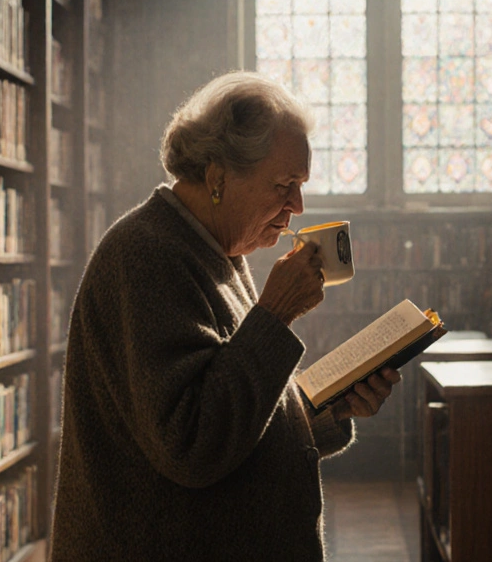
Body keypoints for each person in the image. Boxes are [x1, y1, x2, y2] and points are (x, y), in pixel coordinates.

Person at [50, 71, 401, 561]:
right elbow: (191, 443)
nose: (296, 206)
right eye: (283, 185)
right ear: (217, 178)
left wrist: (324, 409)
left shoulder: (215, 252)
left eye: (299, 186)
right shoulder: (147, 255)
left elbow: (232, 409)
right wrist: (275, 315)